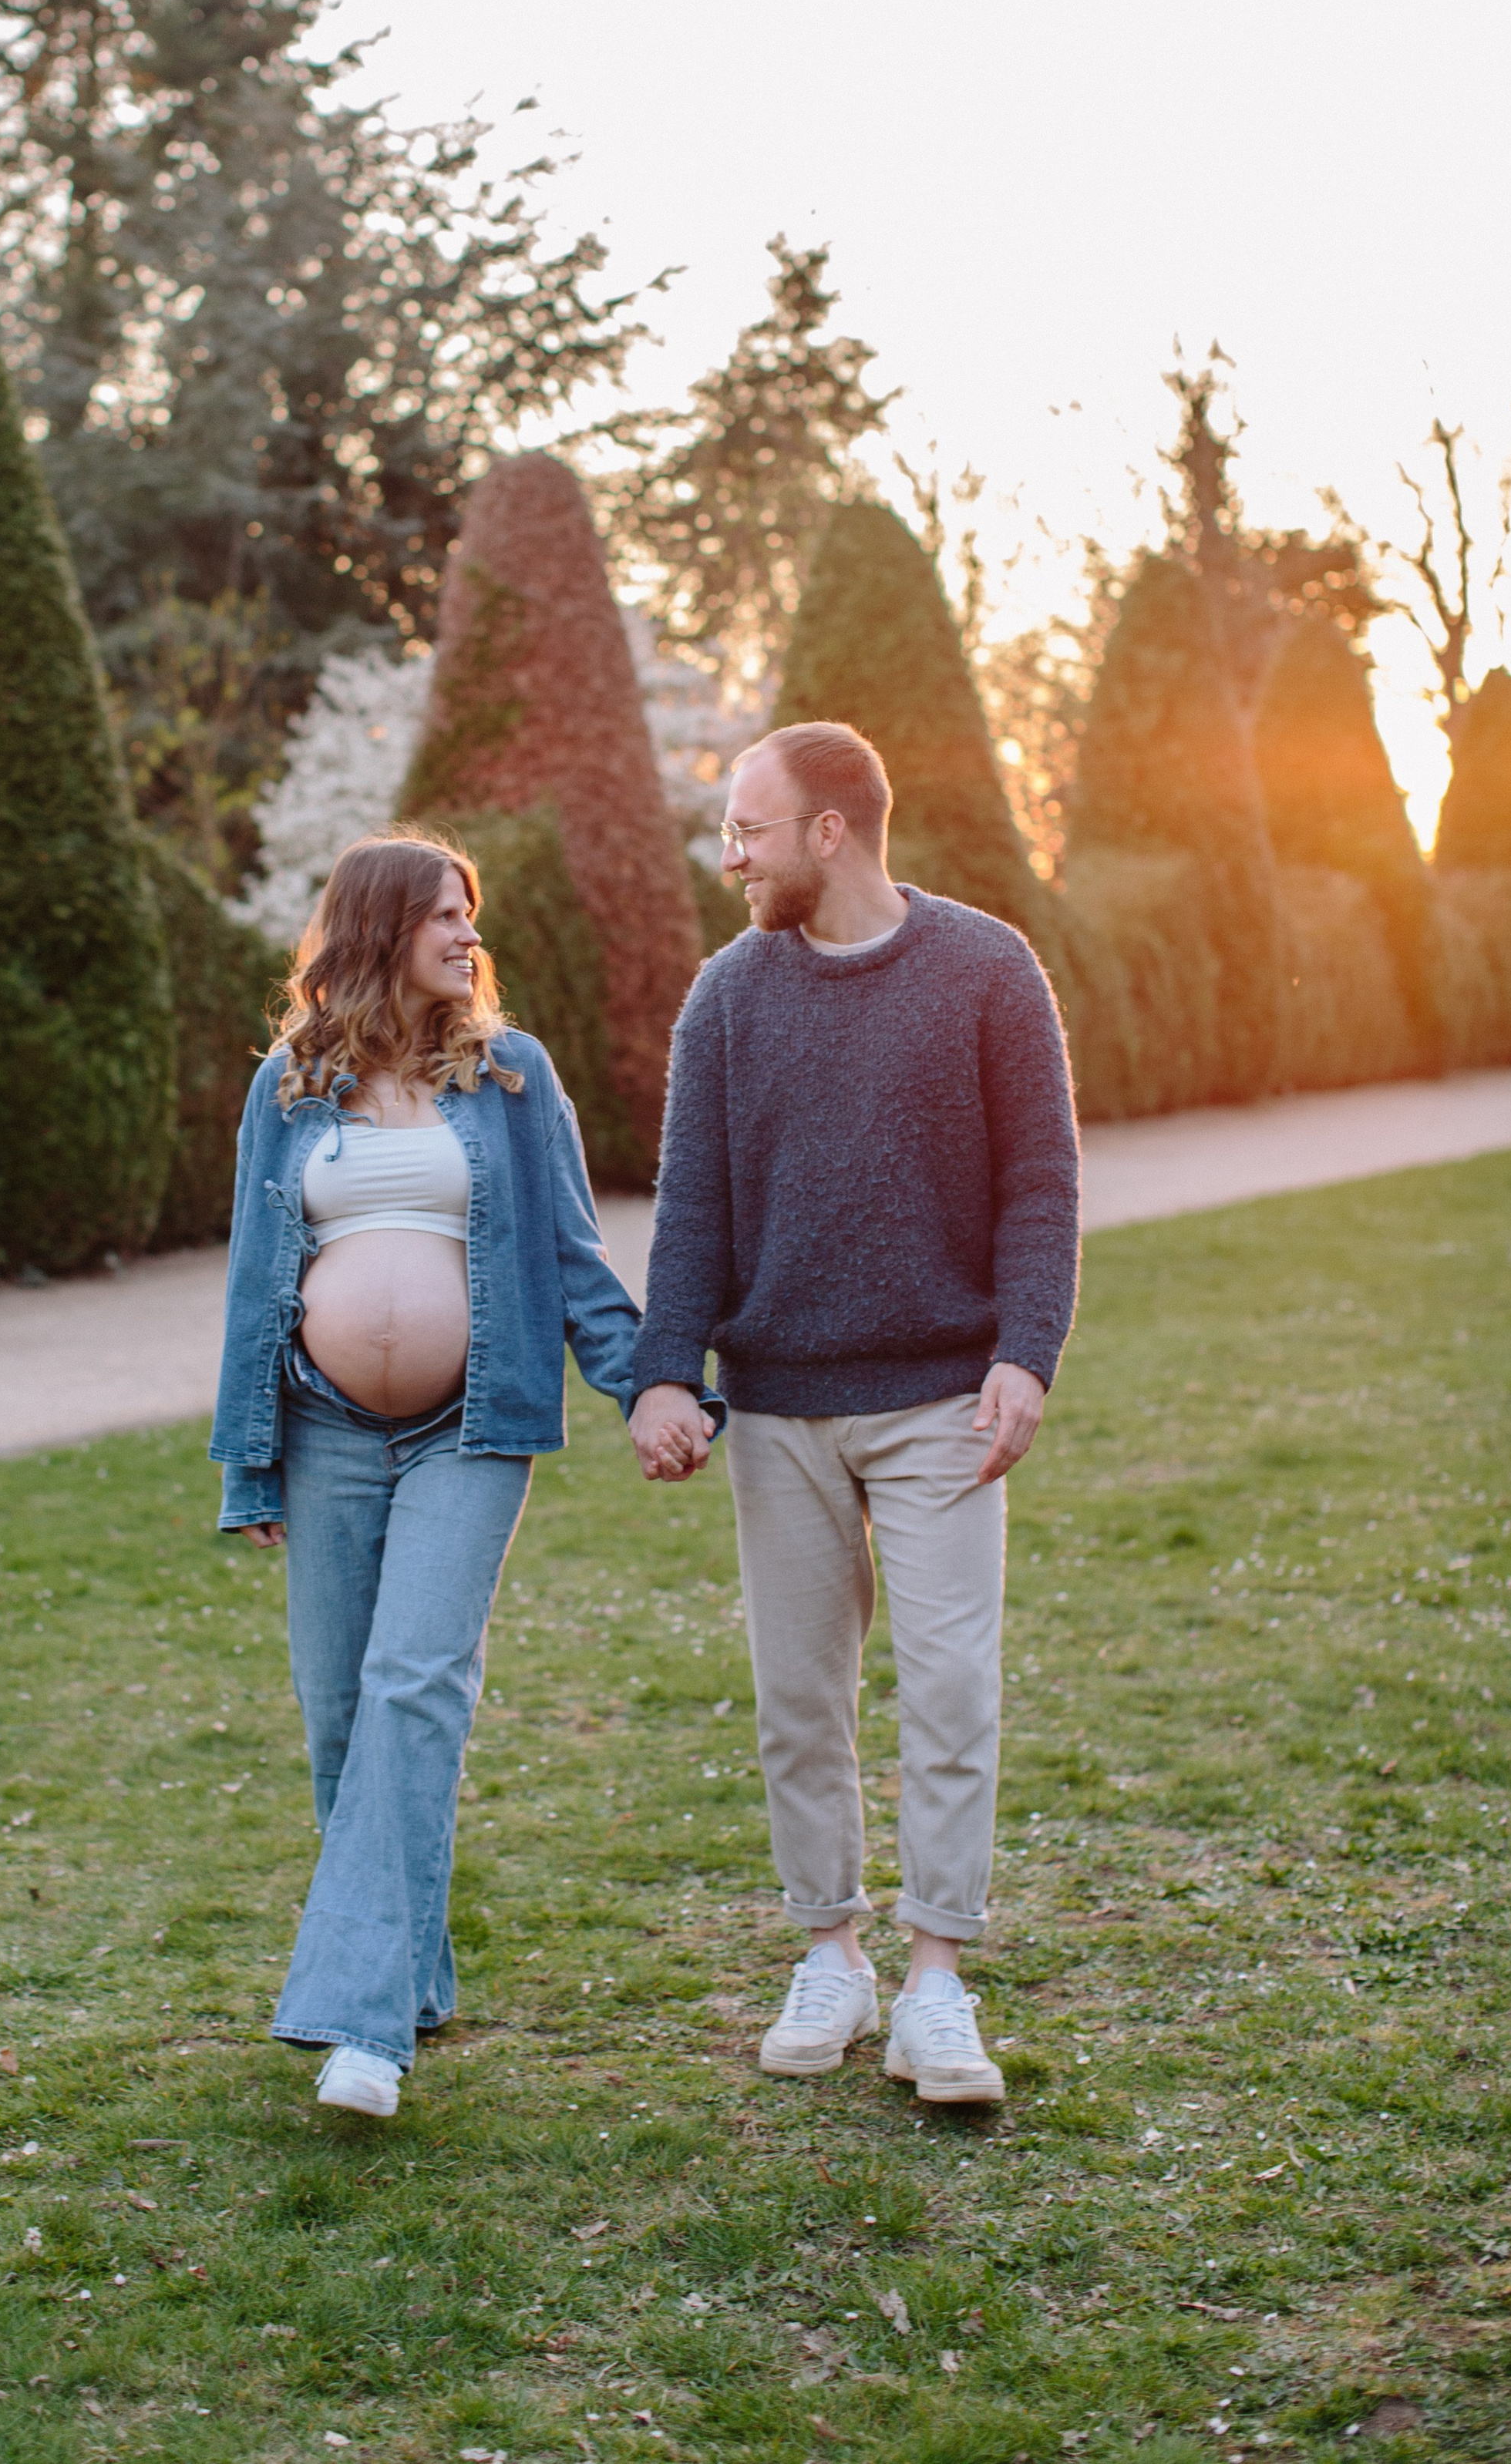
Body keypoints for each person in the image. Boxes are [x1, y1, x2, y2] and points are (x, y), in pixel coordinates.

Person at [212, 829, 708, 2119]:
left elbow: (573, 1253)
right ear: (378, 928)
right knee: (341, 1715)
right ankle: (410, 1974)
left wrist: (649, 1381)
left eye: (471, 915)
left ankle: (363, 2032)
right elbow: (252, 1284)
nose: (466, 935)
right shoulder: (291, 1083)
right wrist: (247, 1462)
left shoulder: (510, 1077)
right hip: (323, 1430)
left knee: (413, 1684)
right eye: (442, 914)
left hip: (470, 1426)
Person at [628, 721, 1079, 2106]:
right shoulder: (727, 995)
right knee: (799, 1702)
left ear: (830, 831)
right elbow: (692, 1201)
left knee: (950, 1691)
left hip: (948, 1402)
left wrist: (1028, 1351)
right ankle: (832, 1949)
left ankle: (938, 1981)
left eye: (749, 830)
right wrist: (663, 1370)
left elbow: (1040, 1188)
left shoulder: (989, 970)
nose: (731, 854)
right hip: (781, 1412)